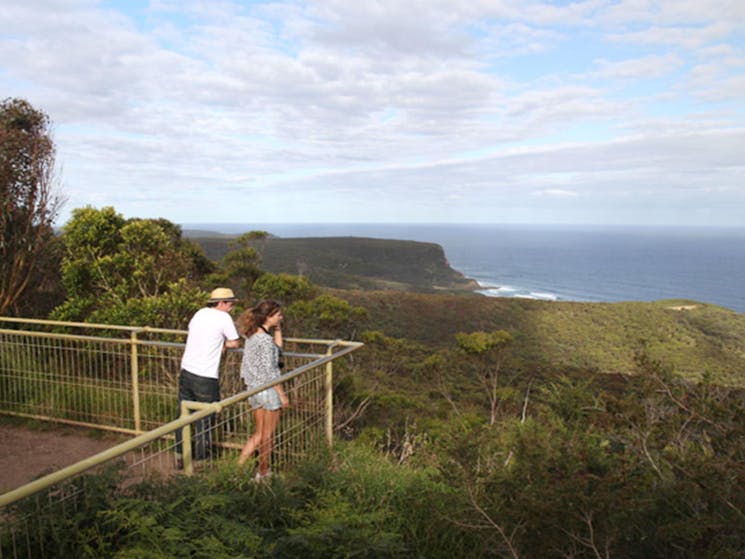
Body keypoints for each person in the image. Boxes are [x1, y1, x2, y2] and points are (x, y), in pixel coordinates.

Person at [175, 287, 241, 463]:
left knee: (184, 415)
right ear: (221, 303)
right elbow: (235, 342)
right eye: (230, 303)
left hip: (187, 370)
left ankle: (180, 455)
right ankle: (202, 459)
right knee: (206, 417)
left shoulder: (200, 313)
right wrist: (225, 344)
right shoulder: (223, 318)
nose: (231, 307)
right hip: (206, 376)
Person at [236, 300, 289, 481]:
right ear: (268, 316)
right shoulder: (265, 341)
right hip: (268, 392)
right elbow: (271, 371)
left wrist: (277, 329)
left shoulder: (252, 335)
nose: (280, 317)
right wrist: (282, 395)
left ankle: (237, 468)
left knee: (259, 434)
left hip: (254, 389)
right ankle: (263, 473)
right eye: (278, 315)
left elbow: (277, 349)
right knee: (268, 436)